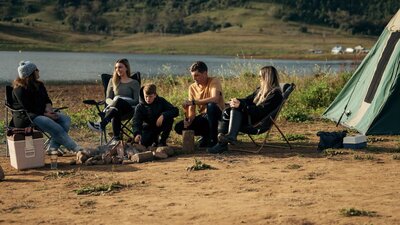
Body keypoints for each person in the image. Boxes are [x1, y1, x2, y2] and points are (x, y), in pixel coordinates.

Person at [12, 60, 84, 155]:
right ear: (31, 73)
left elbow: (47, 100)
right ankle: (76, 148)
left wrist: (49, 110)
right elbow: (29, 108)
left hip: (42, 113)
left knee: (65, 119)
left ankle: (52, 148)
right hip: (26, 117)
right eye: (36, 69)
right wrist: (47, 115)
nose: (39, 71)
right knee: (50, 123)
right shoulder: (19, 89)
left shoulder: (39, 85)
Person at [207, 66, 283, 154]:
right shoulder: (261, 90)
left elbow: (260, 112)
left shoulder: (275, 95)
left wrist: (241, 106)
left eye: (260, 76)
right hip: (252, 116)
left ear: (267, 77)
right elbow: (248, 100)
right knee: (227, 111)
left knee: (235, 110)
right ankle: (222, 142)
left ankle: (228, 139)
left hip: (258, 122)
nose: (259, 78)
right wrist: (236, 101)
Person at [88, 58, 140, 143]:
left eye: (120, 67)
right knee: (116, 110)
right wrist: (115, 103)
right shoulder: (112, 81)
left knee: (118, 101)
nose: (117, 70)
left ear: (126, 68)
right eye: (116, 68)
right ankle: (116, 139)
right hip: (114, 109)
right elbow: (108, 99)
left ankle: (102, 124)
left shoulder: (134, 83)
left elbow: (136, 100)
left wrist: (121, 101)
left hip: (129, 109)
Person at [174, 61, 225, 147]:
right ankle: (206, 136)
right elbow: (192, 110)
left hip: (217, 116)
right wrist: (189, 120)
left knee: (211, 106)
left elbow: (215, 99)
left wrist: (194, 102)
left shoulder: (214, 81)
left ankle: (213, 141)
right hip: (204, 117)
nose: (194, 79)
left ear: (205, 73)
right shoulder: (192, 87)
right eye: (193, 76)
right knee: (179, 127)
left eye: (197, 75)